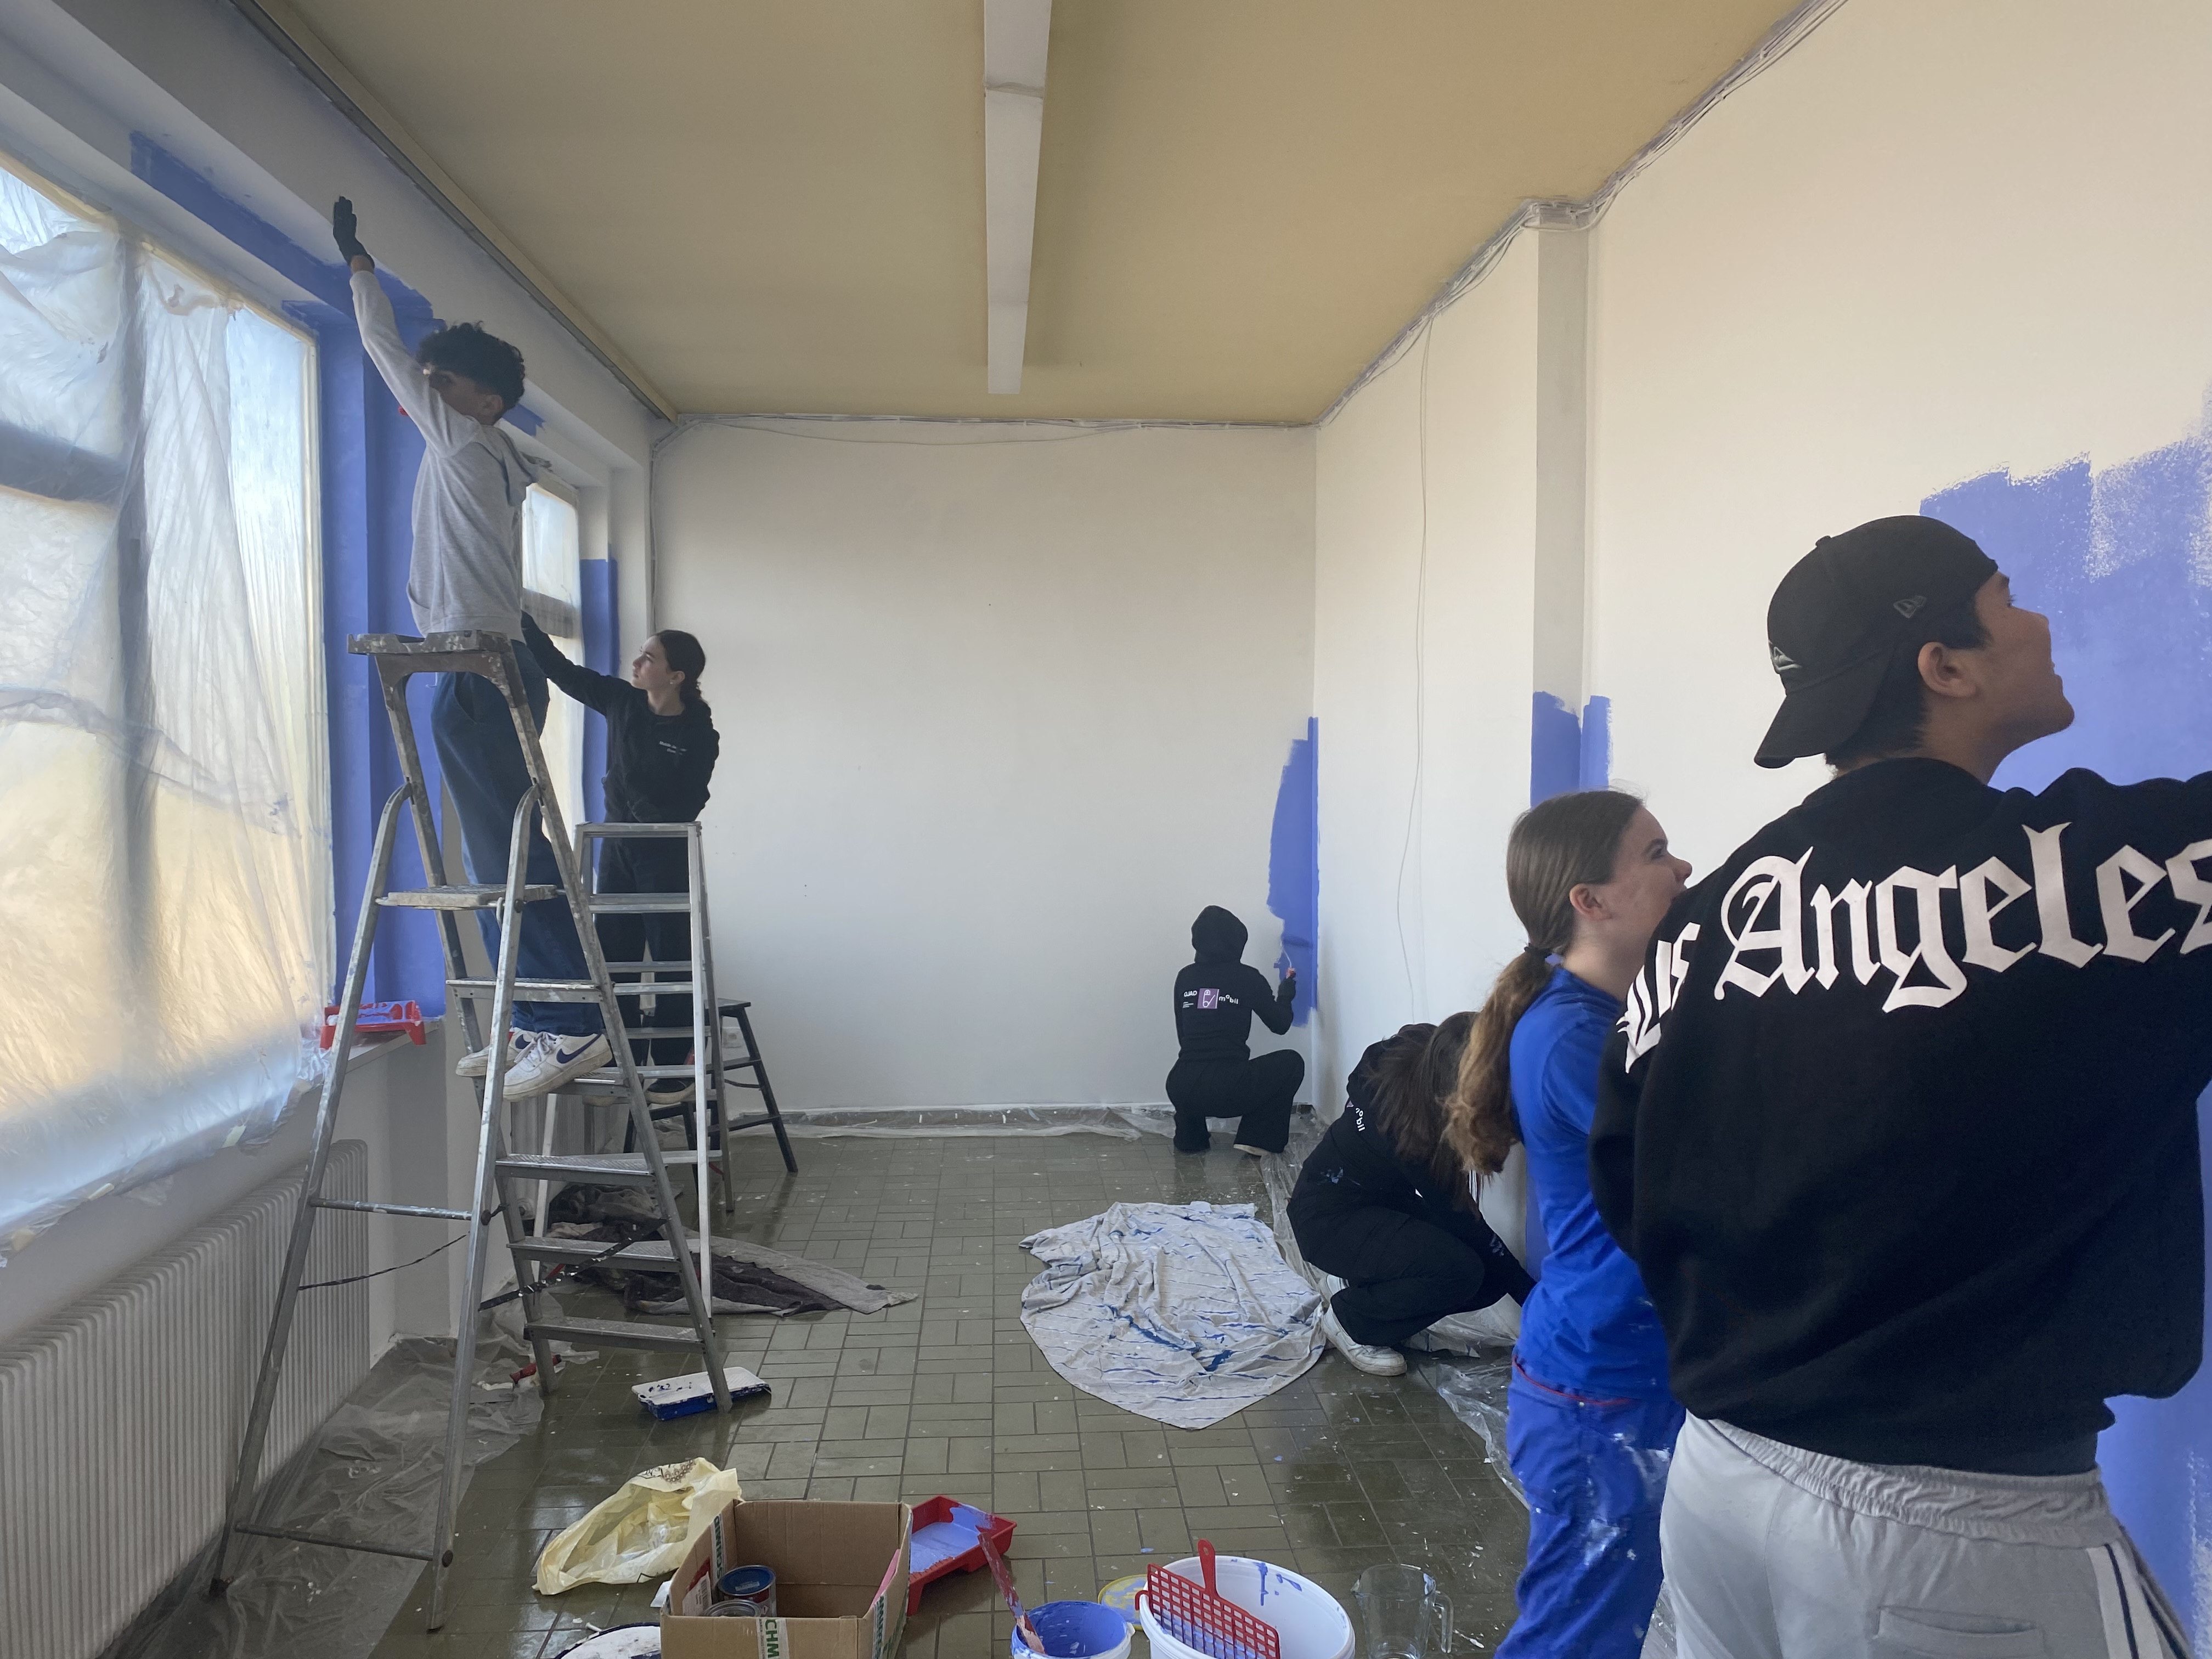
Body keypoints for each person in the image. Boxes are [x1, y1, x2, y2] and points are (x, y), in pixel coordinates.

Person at [1593, 516, 2202, 1656]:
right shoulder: (2094, 879)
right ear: (1945, 665)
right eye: (2009, 597)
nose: (2041, 620)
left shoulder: (1703, 925)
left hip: (1720, 1484)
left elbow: (1631, 1187)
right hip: (1953, 1542)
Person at [335, 198, 610, 1101]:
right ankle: (532, 1015)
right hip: (479, 660)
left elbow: (383, 350)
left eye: (444, 383)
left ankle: (570, 1023)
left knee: (507, 858)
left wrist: (361, 269)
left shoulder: (465, 441)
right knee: (497, 859)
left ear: (484, 402)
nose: (427, 393)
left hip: (481, 663)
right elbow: (406, 369)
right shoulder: (477, 451)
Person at [1437, 788, 1690, 1659]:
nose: (1683, 869)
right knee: (1576, 1640)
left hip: (1627, 1368)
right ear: (1590, 901)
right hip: (1601, 1385)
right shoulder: (1573, 1036)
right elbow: (1701, 1179)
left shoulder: (1613, 1014)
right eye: (1655, 854)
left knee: (1600, 1624)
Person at [521, 614, 720, 1103]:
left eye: (649, 658)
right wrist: (523, 626)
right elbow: (563, 672)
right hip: (616, 852)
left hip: (665, 854)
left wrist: (642, 806)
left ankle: (672, 1066)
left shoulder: (699, 733)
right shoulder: (620, 701)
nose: (637, 663)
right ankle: (619, 1057)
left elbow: (692, 799)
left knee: (672, 960)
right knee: (615, 957)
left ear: (676, 676)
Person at [1289, 1015, 1534, 1378]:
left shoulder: (1426, 1050)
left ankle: (1364, 1287)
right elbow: (1467, 1224)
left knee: (1489, 1278)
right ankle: (1351, 1320)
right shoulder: (1411, 1136)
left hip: (1371, 1202)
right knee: (1462, 1273)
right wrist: (1535, 1302)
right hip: (1326, 1221)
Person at [1166, 906, 1301, 1154]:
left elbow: (1183, 1033)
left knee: (1196, 1075)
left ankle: (1191, 1137)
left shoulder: (1185, 977)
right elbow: (1280, 1025)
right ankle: (1257, 1140)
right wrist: (1285, 995)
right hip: (1225, 1089)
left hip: (1180, 1085)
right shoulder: (1248, 978)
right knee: (1291, 1062)